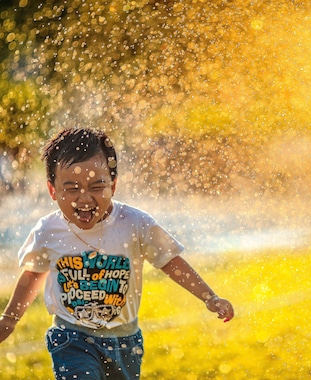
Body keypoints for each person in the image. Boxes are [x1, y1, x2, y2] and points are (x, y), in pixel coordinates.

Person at [0, 127, 234, 379]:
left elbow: (170, 262)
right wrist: (10, 318)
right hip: (71, 337)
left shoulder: (135, 223)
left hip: (125, 342)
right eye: (72, 188)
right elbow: (33, 275)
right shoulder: (48, 230)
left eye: (96, 186)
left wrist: (209, 297)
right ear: (52, 190)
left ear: (113, 184)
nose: (84, 198)